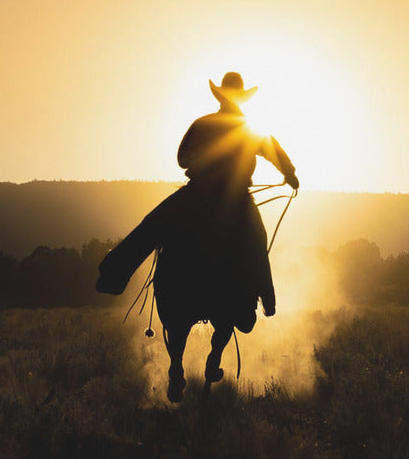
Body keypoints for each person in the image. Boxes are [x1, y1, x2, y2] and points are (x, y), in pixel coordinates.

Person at [96, 71, 299, 400]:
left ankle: (114, 275)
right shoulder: (251, 128)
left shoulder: (202, 124)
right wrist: (289, 175)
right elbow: (275, 152)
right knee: (255, 238)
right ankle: (265, 297)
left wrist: (206, 162)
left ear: (221, 97)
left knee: (155, 224)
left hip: (196, 193)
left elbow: (182, 159)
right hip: (236, 197)